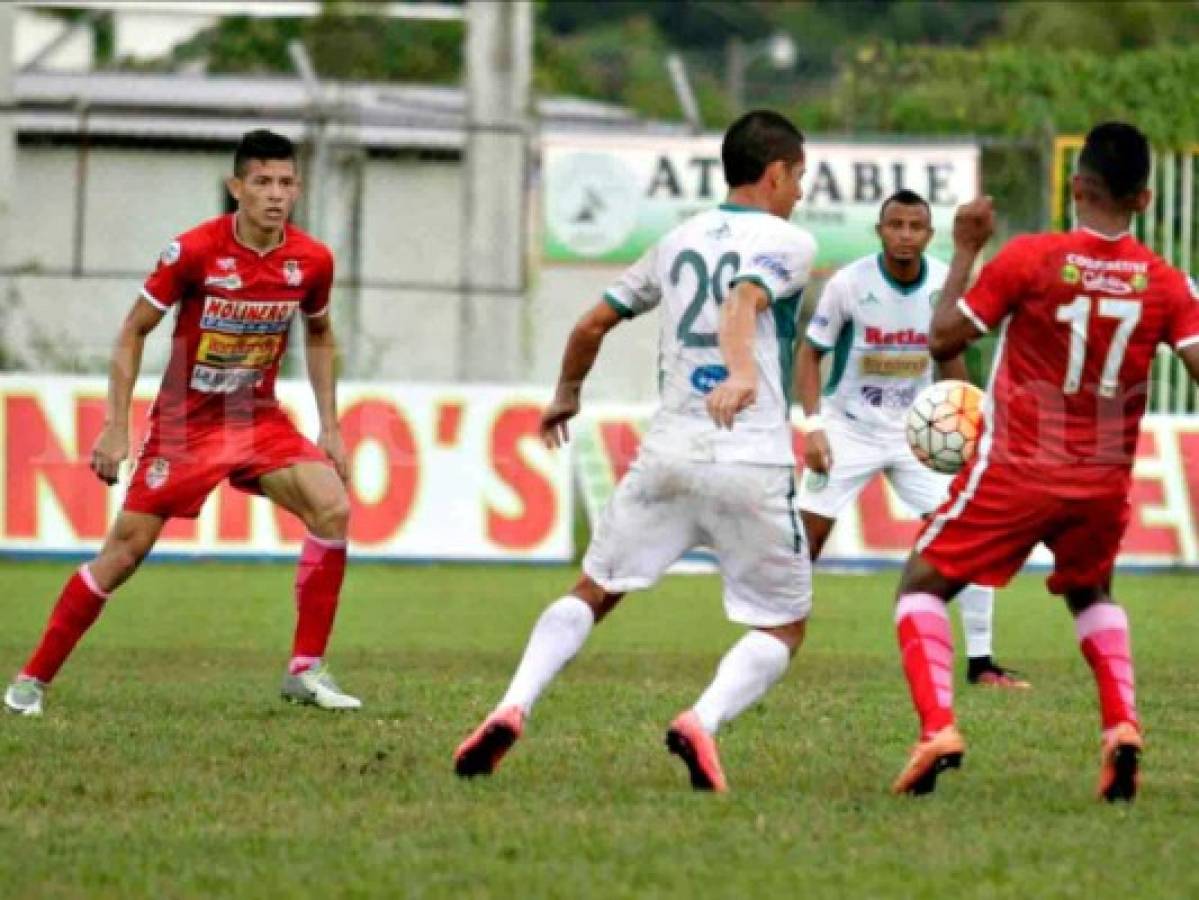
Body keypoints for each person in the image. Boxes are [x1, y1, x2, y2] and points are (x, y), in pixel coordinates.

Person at [452, 110, 817, 792]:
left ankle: (512, 704)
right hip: (749, 457)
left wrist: (566, 392)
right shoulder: (788, 240)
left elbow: (594, 320)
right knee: (784, 625)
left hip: (667, 455)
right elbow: (742, 300)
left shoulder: (674, 239)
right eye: (797, 178)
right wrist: (741, 374)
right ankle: (700, 720)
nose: (798, 192)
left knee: (594, 589)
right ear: (774, 174)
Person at [889, 122, 1199, 801]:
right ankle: (1120, 726)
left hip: (1017, 470)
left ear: (1075, 185)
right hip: (1101, 481)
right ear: (1143, 200)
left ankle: (937, 726)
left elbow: (941, 336)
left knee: (918, 586)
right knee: (1091, 594)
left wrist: (965, 249)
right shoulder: (1166, 283)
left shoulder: (1029, 258)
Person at [4, 129, 361, 716]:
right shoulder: (194, 252)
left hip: (258, 418)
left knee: (333, 507)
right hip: (186, 429)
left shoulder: (311, 260)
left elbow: (320, 336)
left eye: (286, 183)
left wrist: (331, 427)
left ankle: (305, 669)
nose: (276, 195)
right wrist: (115, 426)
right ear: (236, 187)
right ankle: (30, 682)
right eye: (263, 182)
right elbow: (133, 330)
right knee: (123, 553)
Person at [797, 190, 1027, 688]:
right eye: (895, 225)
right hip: (847, 429)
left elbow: (948, 356)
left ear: (929, 234)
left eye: (914, 226)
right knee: (803, 542)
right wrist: (813, 427)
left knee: (970, 534)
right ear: (880, 231)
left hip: (916, 434)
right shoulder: (849, 284)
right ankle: (773, 641)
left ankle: (982, 662)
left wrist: (964, 417)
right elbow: (809, 354)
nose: (904, 235)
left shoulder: (944, 285)